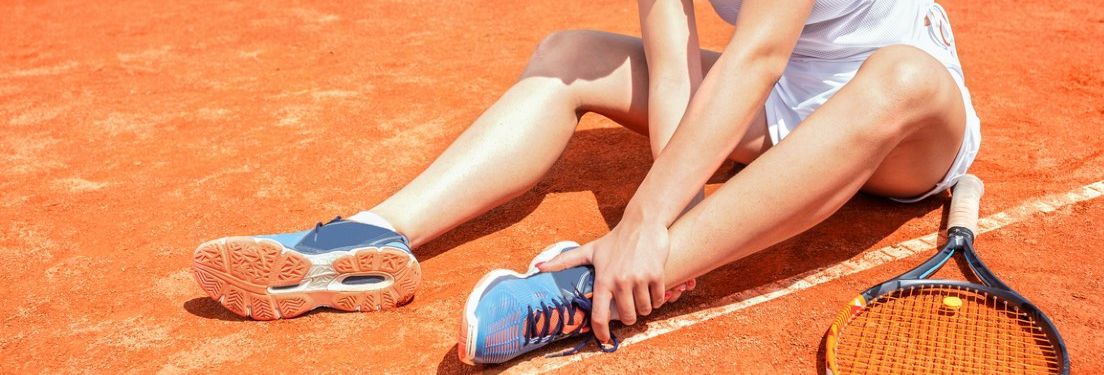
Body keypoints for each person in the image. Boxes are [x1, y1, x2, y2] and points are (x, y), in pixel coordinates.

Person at [190, 0, 980, 365]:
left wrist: (649, 228)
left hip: (904, 126)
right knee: (571, 54)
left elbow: (757, 55)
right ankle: (374, 233)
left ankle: (595, 287)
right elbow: (672, 58)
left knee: (899, 78)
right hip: (782, 103)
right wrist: (669, 209)